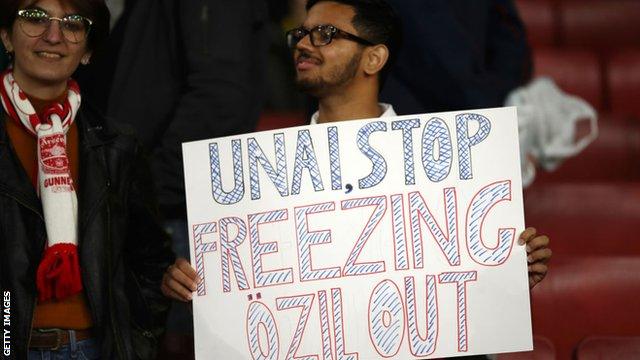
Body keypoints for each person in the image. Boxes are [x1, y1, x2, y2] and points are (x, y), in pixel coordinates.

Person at [163, 0, 551, 301]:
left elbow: (463, 291)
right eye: (301, 33)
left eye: (326, 33)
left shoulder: (452, 166)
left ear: (374, 57)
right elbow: (246, 296)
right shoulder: (255, 176)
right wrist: (189, 282)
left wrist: (506, 273)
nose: (302, 43)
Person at [0, 0, 174, 358]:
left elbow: (150, 261)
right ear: (5, 36)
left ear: (88, 51)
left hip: (96, 349)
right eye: (35, 18)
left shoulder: (117, 145)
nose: (53, 36)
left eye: (73, 24)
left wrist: (137, 344)